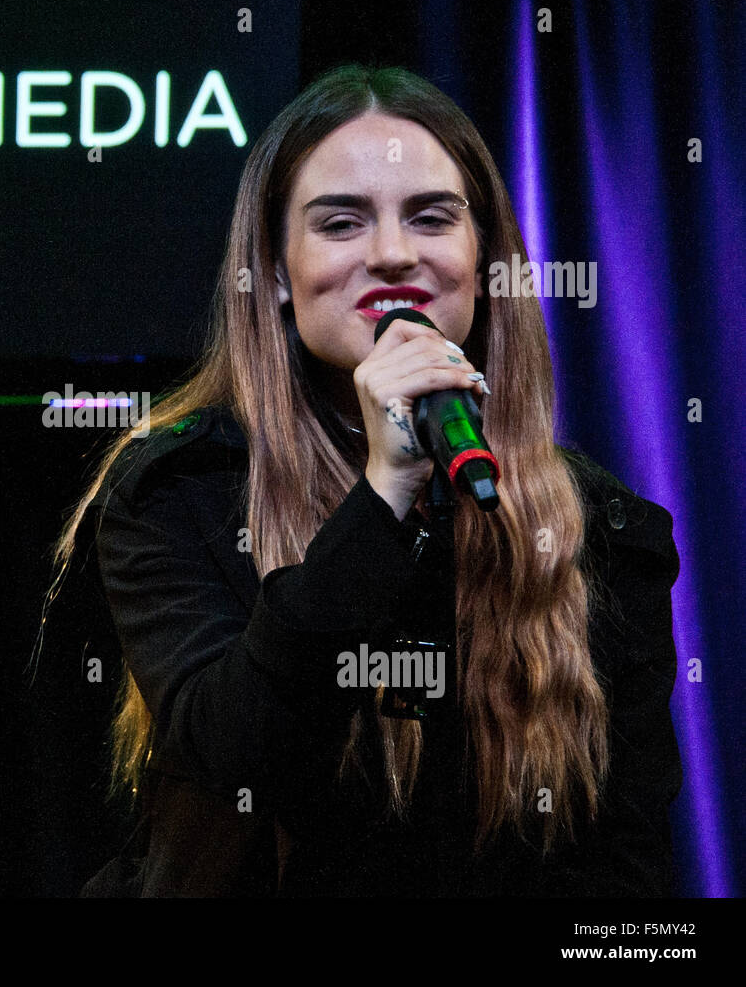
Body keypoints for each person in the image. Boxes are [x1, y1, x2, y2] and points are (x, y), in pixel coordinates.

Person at [47, 63, 683, 897]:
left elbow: (625, 875)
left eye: (431, 218)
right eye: (341, 223)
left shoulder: (601, 529)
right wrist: (382, 495)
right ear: (275, 272)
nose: (392, 254)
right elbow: (240, 759)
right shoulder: (179, 490)